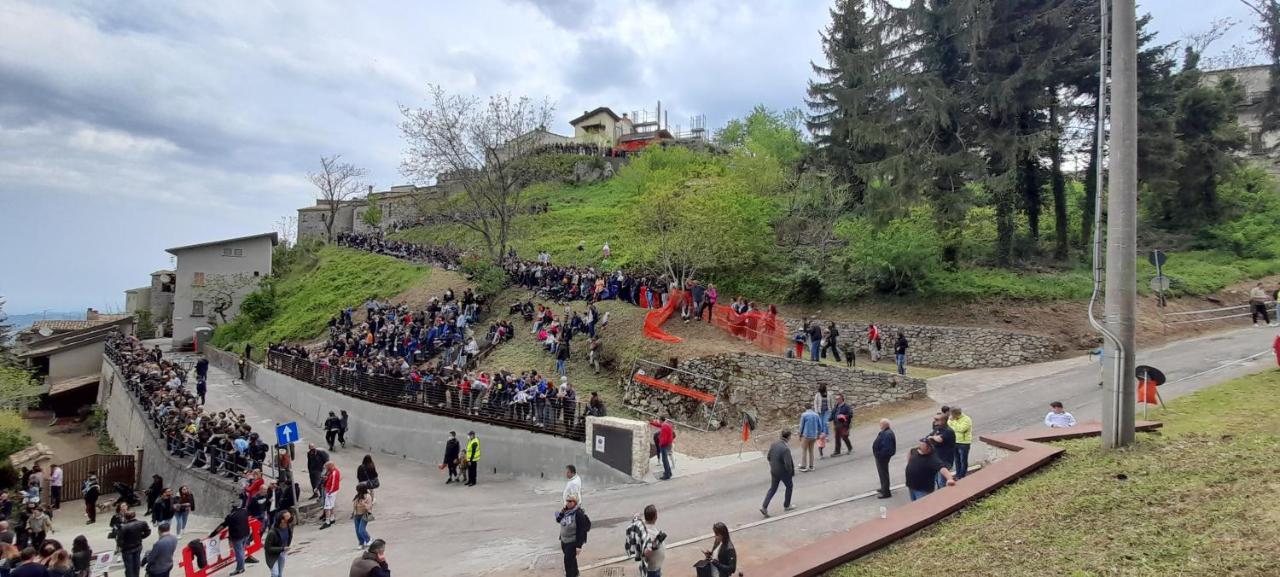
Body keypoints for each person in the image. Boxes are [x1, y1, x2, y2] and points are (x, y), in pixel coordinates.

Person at [209, 502, 252, 576]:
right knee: (242, 550)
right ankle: (242, 565)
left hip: (237, 536)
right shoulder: (244, 511)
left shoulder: (230, 516)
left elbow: (222, 526)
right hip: (246, 534)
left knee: (239, 552)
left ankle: (240, 568)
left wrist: (212, 534)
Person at [760, 430, 795, 517]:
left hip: (774, 471)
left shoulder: (774, 444)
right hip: (783, 472)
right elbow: (788, 464)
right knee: (789, 486)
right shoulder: (785, 449)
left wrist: (773, 465)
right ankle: (787, 505)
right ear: (788, 437)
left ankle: (764, 506)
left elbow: (768, 457)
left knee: (773, 489)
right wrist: (790, 472)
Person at [555, 495, 589, 577]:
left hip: (572, 541)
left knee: (567, 561)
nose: (568, 503)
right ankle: (575, 573)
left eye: (570, 501)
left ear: (575, 502)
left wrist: (578, 546)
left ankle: (570, 575)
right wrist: (561, 513)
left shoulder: (578, 514)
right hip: (564, 540)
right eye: (567, 501)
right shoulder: (565, 511)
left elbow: (581, 530)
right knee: (571, 559)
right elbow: (558, 520)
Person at [116, 511, 151, 577]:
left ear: (125, 517)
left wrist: (122, 546)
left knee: (129, 568)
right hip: (138, 546)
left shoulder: (124, 527)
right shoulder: (142, 523)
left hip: (127, 549)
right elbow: (148, 532)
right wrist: (141, 537)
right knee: (136, 565)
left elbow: (119, 541)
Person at [927, 413, 956, 488]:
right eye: (934, 419)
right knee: (937, 481)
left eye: (937, 420)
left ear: (944, 421)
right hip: (937, 460)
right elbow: (927, 438)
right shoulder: (937, 429)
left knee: (942, 482)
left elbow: (940, 439)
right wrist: (933, 437)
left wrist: (932, 437)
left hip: (945, 462)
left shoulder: (948, 431)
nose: (935, 422)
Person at [872, 419, 897, 499]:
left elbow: (887, 448)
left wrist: (879, 455)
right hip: (880, 457)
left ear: (885, 425)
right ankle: (884, 488)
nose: (880, 425)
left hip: (882, 458)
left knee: (883, 474)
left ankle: (886, 492)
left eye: (881, 424)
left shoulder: (887, 434)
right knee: (882, 473)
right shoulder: (885, 432)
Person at [263, 510, 293, 577]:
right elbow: (267, 547)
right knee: (275, 574)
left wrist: (285, 548)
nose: (291, 518)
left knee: (280, 573)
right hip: (272, 555)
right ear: (282, 520)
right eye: (288, 517)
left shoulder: (289, 527)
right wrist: (282, 548)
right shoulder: (272, 533)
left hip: (282, 553)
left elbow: (289, 537)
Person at [639, 505, 665, 577]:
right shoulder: (647, 532)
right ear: (655, 516)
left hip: (655, 567)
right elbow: (645, 553)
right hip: (652, 570)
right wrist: (653, 547)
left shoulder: (645, 526)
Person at [947, 407, 973, 479]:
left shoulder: (966, 419)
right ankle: (958, 474)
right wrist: (952, 423)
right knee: (957, 460)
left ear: (956, 414)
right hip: (955, 442)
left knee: (963, 460)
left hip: (964, 443)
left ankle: (962, 476)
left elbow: (961, 429)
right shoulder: (951, 419)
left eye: (952, 414)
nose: (950, 416)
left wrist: (953, 423)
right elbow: (948, 427)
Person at [798, 408, 821, 472]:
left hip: (806, 435)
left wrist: (800, 435)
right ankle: (811, 466)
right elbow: (820, 425)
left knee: (804, 450)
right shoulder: (816, 415)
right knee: (811, 450)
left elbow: (801, 426)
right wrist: (818, 434)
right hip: (813, 435)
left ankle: (804, 466)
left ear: (805, 408)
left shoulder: (804, 415)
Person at [351, 485, 374, 550]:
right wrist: (353, 513)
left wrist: (364, 504)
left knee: (361, 530)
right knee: (357, 531)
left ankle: (369, 539)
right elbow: (355, 505)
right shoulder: (357, 496)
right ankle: (361, 543)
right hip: (357, 515)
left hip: (364, 515)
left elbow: (369, 507)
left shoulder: (368, 496)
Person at [320, 462, 341, 528]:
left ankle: (327, 522)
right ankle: (332, 518)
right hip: (332, 491)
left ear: (330, 466)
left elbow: (333, 483)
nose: (326, 469)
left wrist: (329, 492)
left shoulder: (334, 472)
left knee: (327, 507)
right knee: (331, 506)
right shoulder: (334, 472)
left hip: (331, 492)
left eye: (326, 467)